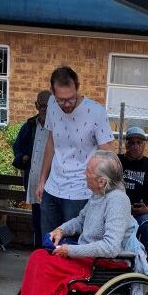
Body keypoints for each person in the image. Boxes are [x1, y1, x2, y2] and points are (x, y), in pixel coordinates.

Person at [0, 151, 132, 295]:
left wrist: (70, 250)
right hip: (86, 257)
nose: (84, 174)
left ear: (102, 181)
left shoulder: (117, 201)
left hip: (99, 265)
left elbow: (111, 247)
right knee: (38, 256)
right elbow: (79, 220)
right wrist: (61, 230)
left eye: (88, 172)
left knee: (47, 268)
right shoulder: (98, 195)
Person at [35, 66, 114, 237]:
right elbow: (51, 142)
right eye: (61, 100)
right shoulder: (52, 104)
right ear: (53, 92)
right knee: (49, 243)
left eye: (71, 98)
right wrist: (42, 180)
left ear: (77, 87)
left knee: (74, 246)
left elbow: (108, 154)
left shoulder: (96, 112)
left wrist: (111, 191)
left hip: (81, 192)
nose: (66, 104)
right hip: (52, 188)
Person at [118, 126, 148, 280]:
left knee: (146, 223)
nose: (135, 146)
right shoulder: (118, 162)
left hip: (142, 212)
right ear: (126, 144)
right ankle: (117, 262)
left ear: (144, 145)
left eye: (139, 142)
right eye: (131, 142)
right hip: (120, 210)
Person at [12, 90, 51, 248]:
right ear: (36, 105)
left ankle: (49, 250)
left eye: (48, 106)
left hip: (52, 182)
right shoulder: (29, 125)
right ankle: (39, 250)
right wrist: (22, 157)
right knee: (37, 218)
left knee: (50, 218)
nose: (44, 109)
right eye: (42, 105)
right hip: (34, 181)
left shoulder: (58, 126)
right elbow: (17, 147)